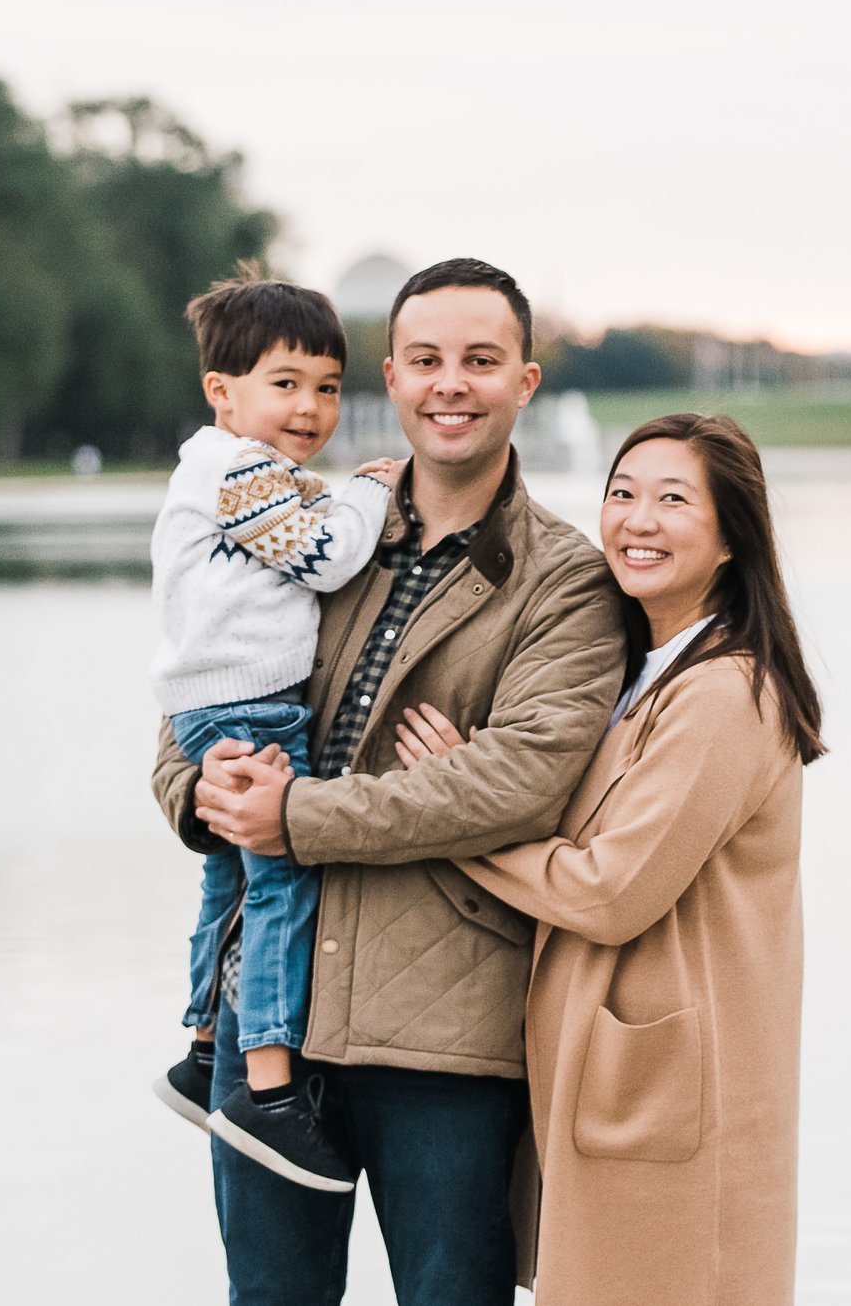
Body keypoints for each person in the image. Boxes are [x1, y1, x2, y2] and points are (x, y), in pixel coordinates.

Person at [153, 257, 626, 1306]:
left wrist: (290, 814)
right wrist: (203, 788)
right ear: (394, 376)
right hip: (270, 1025)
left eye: (479, 360)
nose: (450, 383)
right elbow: (194, 696)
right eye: (425, 360)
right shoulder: (308, 525)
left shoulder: (570, 581)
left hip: (445, 1037)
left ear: (525, 382)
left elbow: (518, 784)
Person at [392, 413, 824, 1306]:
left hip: (671, 1111)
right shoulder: (646, 669)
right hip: (612, 1100)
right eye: (621, 494)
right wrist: (390, 494)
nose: (637, 519)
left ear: (732, 537)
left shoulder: (722, 692)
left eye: (673, 500)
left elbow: (611, 889)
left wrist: (455, 812)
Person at [148, 266, 402, 1189]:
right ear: (223, 391)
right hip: (251, 705)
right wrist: (371, 488)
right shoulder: (243, 472)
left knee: (228, 877)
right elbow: (329, 557)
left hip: (206, 701)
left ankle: (202, 1045)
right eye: (284, 383)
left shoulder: (219, 468)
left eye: (328, 386)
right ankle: (266, 1084)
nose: (310, 406)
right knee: (281, 885)